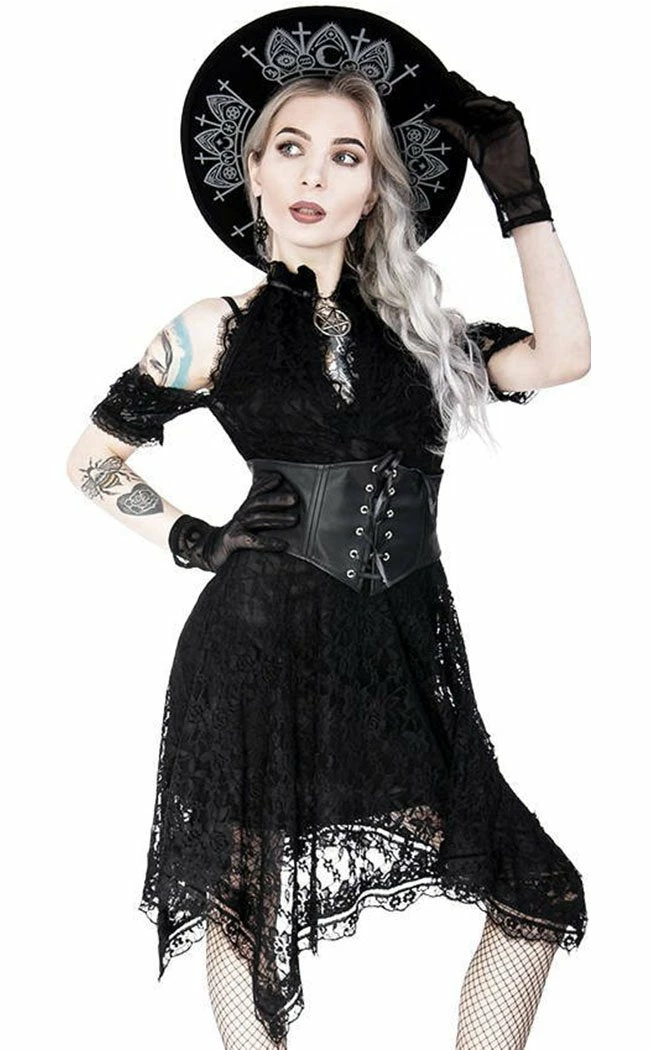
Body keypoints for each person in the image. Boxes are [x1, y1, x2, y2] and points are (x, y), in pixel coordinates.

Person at [66, 8, 590, 1049]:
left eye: (346, 155)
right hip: (257, 642)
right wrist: (198, 540)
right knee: (244, 898)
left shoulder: (424, 335)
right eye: (289, 148)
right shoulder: (212, 328)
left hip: (400, 649)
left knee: (537, 887)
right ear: (253, 176)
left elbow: (564, 355)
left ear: (373, 188)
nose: (313, 173)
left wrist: (519, 194)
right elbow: (89, 462)